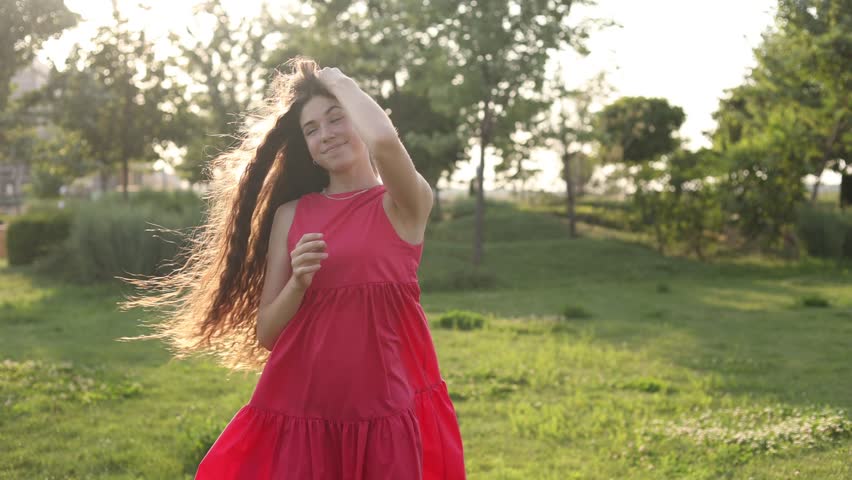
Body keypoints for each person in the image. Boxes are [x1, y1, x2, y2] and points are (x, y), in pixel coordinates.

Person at [119, 56, 466, 479]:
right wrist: (299, 284)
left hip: (382, 413)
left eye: (336, 118)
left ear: (358, 118)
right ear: (308, 150)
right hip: (303, 412)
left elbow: (386, 144)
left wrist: (339, 81)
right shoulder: (291, 215)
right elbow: (268, 333)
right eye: (312, 129)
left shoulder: (404, 205)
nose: (327, 134)